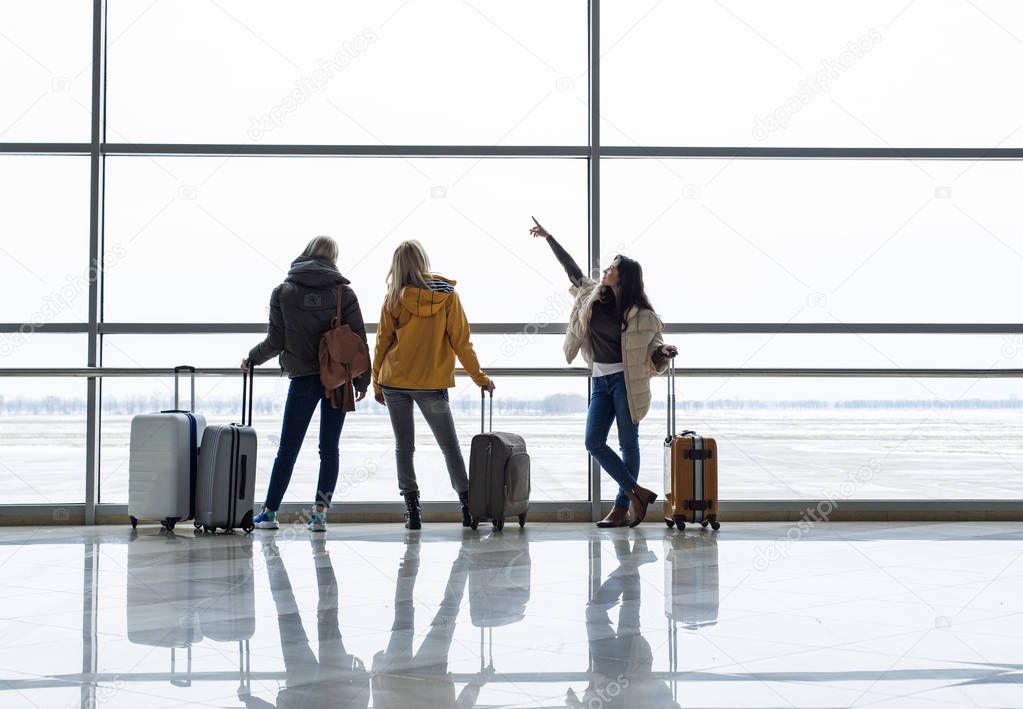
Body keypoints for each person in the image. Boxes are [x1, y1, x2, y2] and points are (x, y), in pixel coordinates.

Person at [530, 217, 676, 527]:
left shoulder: (644, 316)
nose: (605, 271)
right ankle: (636, 492)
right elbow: (571, 270)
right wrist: (549, 237)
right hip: (600, 381)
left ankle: (622, 507)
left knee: (628, 444)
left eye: (611, 268)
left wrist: (662, 353)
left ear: (623, 278)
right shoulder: (591, 294)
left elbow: (655, 349)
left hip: (626, 383)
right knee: (593, 441)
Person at [242, 236, 370, 532]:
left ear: (306, 253)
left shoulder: (283, 292)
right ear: (333, 258)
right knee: (329, 449)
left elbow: (276, 342)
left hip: (302, 380)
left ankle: (270, 512)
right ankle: (320, 515)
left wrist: (252, 358)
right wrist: (363, 379)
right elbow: (359, 341)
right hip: (337, 380)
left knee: (288, 448)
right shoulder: (343, 293)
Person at [372, 240, 494, 530]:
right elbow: (461, 342)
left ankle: (412, 511)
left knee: (404, 446)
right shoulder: (447, 297)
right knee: (449, 447)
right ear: (423, 261)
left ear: (397, 267)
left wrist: (377, 382)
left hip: (395, 381)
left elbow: (381, 344)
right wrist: (480, 377)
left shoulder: (393, 298)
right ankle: (467, 507)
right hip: (431, 383)